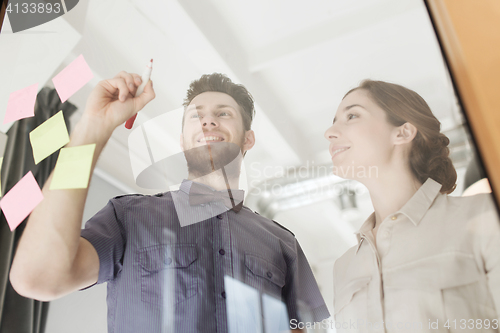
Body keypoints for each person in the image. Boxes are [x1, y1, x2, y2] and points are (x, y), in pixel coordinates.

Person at [10, 72, 330, 332]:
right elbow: (37, 277)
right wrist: (92, 130)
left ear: (248, 138)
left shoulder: (282, 242)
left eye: (224, 113)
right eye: (196, 116)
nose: (209, 122)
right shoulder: (128, 218)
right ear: (181, 140)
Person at [324, 80, 500, 332]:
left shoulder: (482, 215)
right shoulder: (344, 266)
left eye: (352, 115)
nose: (329, 132)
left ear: (403, 132)